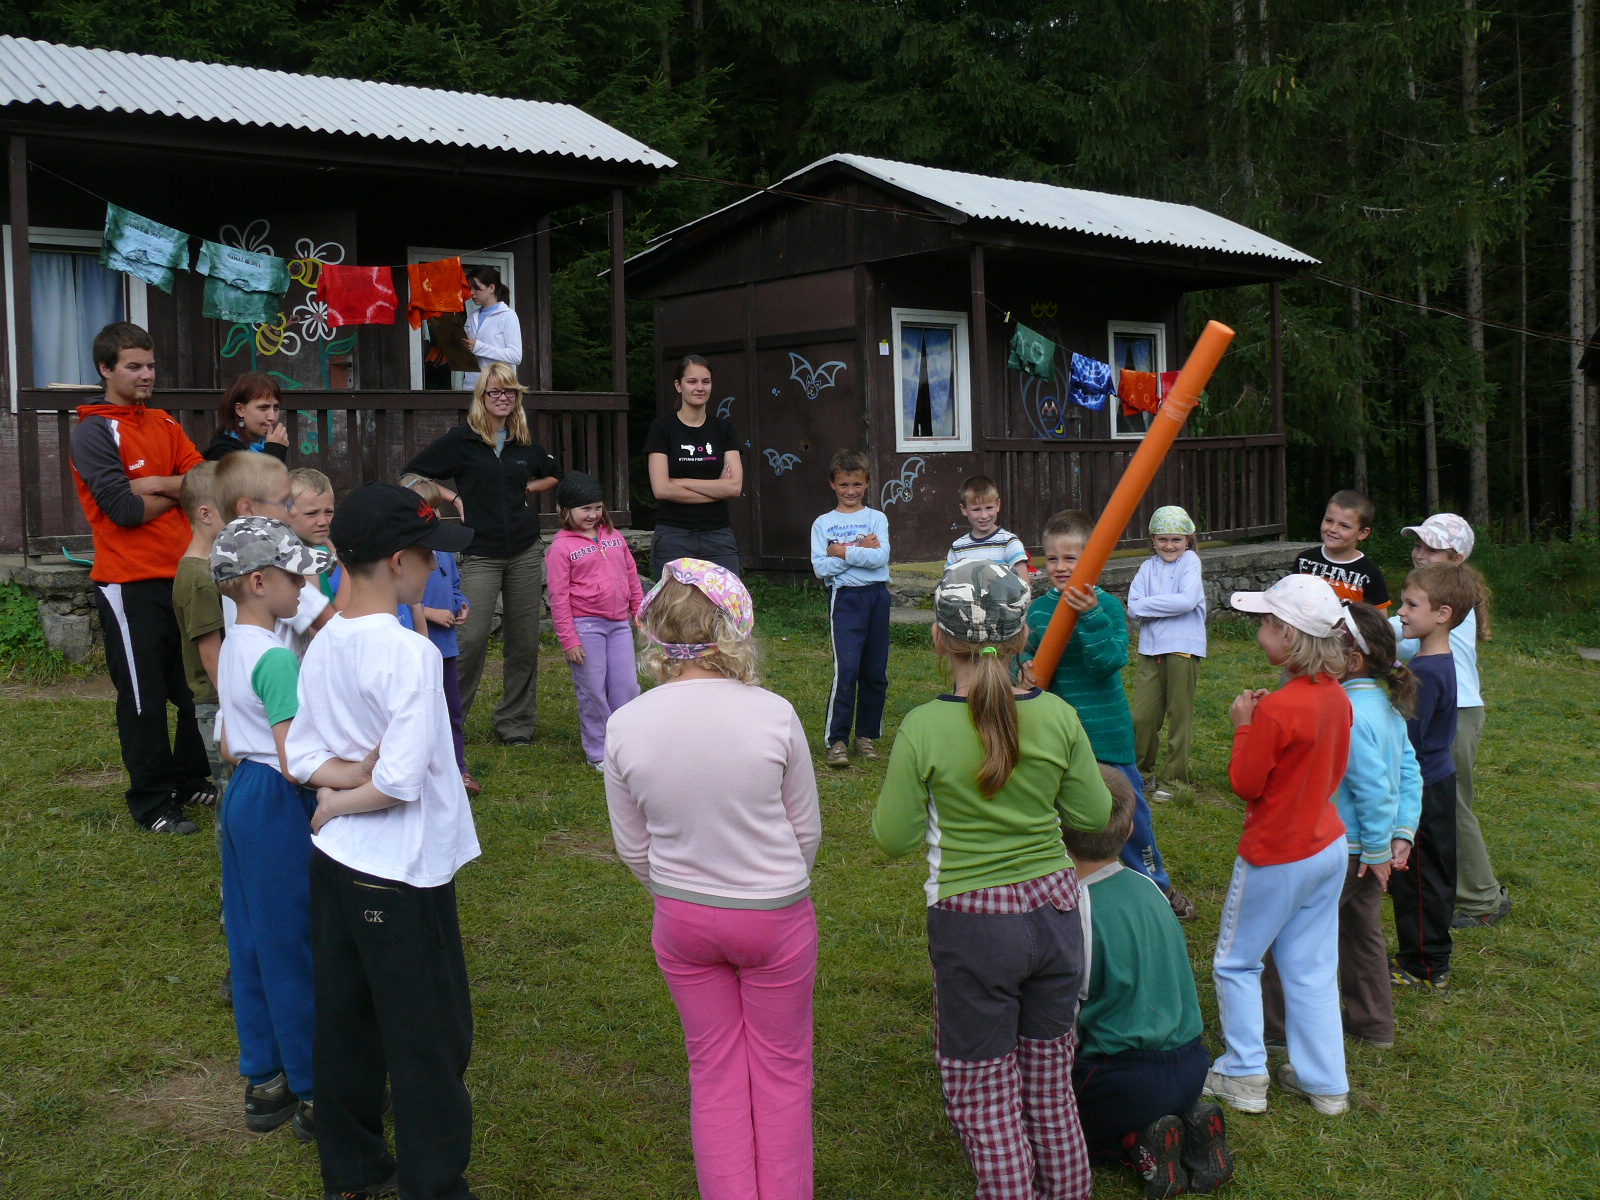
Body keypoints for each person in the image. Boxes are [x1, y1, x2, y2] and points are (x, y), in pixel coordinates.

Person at [873, 560, 1113, 1200]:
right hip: (1057, 914)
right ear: (1023, 637)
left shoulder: (923, 727)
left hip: (973, 925)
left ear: (938, 638)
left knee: (984, 1091)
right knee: (1049, 1082)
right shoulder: (1058, 715)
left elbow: (893, 838)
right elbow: (1093, 815)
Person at [285, 482, 479, 1199]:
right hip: (403, 872)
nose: (435, 567)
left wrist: (334, 791)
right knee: (430, 1037)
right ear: (400, 561)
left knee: (345, 1023)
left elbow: (302, 754)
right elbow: (399, 781)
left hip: (337, 867)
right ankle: (434, 1185)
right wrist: (343, 800)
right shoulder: (410, 653)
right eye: (430, 555)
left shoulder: (324, 641)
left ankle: (352, 1170)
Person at [605, 559, 820, 1200]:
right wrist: (771, 886)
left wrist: (677, 891)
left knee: (714, 1070)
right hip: (775, 914)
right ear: (734, 629)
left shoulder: (625, 724)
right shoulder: (775, 714)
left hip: (682, 918)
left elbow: (632, 846)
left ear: (655, 632)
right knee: (782, 1070)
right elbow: (805, 829)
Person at [1206, 575, 1354, 1117]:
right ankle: (1326, 1083)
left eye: (1266, 624)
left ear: (1289, 636)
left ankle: (1244, 1074)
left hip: (1277, 854)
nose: (1259, 633)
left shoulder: (1275, 710)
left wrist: (1245, 726)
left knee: (1236, 962)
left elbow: (1246, 783)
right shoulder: (1337, 697)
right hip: (1328, 845)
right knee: (1311, 965)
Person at [210, 517, 330, 1139]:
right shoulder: (279, 659)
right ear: (259, 582)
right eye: (295, 578)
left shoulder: (235, 645)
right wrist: (364, 769)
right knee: (293, 944)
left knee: (252, 939)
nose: (303, 589)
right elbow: (295, 760)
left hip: (241, 797)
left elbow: (229, 745)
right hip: (278, 800)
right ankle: (314, 1090)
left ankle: (266, 1079)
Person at [69, 321, 210, 834]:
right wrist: (177, 490)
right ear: (106, 369)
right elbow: (124, 511)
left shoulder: (165, 422)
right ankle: (152, 802)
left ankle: (191, 779)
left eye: (150, 365)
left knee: (198, 688)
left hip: (184, 575)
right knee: (143, 696)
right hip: (129, 584)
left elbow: (205, 482)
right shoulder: (92, 432)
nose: (146, 374)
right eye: (134, 366)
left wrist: (153, 482)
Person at [1020, 511, 1196, 922]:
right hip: (1059, 735)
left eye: (1071, 559)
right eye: (1052, 559)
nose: (1060, 567)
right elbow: (1024, 656)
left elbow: (1108, 662)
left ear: (1092, 561)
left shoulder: (1109, 608)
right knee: (1057, 816)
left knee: (1129, 817)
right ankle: (1062, 889)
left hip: (1107, 735)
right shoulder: (1039, 611)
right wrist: (1022, 669)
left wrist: (1090, 616)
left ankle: (1155, 883)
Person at [1262, 603, 1421, 1054]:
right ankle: (1373, 1023)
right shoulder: (1386, 706)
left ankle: (1275, 1028)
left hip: (1348, 850)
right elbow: (1409, 774)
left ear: (1350, 660)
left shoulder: (1346, 710)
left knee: (1287, 932)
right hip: (1372, 849)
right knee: (1361, 933)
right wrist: (1402, 833)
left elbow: (1373, 787)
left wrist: (1377, 851)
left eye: (1327, 643)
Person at [1067, 767, 1231, 1199]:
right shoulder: (1150, 887)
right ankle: (1189, 1121)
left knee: (1052, 1120)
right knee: (1148, 1093)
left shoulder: (1075, 906)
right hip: (1191, 1063)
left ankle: (1136, 1143)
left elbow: (1069, 1012)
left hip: (1124, 1077)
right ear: (1127, 833)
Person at [404, 363, 562, 745]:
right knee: (470, 639)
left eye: (510, 391)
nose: (503, 397)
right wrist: (453, 497)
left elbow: (554, 473)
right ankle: (446, 723)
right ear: (482, 397)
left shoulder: (524, 442)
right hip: (481, 553)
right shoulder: (462, 440)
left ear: (517, 397)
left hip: (525, 550)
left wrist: (527, 489)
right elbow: (412, 475)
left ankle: (515, 724)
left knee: (523, 642)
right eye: (495, 391)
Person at [1393, 515, 1510, 929]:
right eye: (1418, 545)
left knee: (1452, 805)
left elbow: (1393, 636)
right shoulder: (1435, 602)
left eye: (1433, 548)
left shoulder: (1446, 608)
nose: (1420, 554)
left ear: (1457, 559)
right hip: (1451, 708)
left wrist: (1351, 627)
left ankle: (1483, 898)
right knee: (1439, 802)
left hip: (1457, 712)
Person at [1389, 562, 1478, 996]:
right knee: (1426, 875)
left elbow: (1409, 740)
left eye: (1411, 605)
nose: (1401, 612)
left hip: (1423, 788)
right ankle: (1423, 956)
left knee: (1420, 879)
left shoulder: (1427, 673)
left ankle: (1425, 966)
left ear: (1442, 614)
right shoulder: (1432, 661)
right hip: (1435, 781)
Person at [545, 471, 642, 770]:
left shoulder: (614, 537)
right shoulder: (560, 547)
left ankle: (626, 746)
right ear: (565, 510)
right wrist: (569, 639)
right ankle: (598, 753)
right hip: (586, 627)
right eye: (584, 508)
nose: (592, 514)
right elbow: (558, 596)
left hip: (619, 625)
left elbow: (631, 575)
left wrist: (639, 611)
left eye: (597, 507)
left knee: (627, 687)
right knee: (593, 691)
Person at [809, 449, 891, 769]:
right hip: (845, 599)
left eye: (857, 484)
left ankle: (865, 736)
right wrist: (859, 549)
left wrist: (841, 551)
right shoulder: (823, 523)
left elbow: (879, 559)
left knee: (875, 671)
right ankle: (837, 741)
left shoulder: (876, 518)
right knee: (847, 670)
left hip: (877, 597)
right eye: (844, 484)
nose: (850, 491)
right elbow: (821, 568)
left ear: (867, 482)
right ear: (832, 484)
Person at [215, 452, 333, 655]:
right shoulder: (275, 568)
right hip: (280, 670)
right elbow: (331, 626)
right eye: (285, 502)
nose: (293, 511)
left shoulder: (232, 559)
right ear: (247, 509)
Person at [1129, 506, 1208, 802]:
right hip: (1150, 649)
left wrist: (1150, 605)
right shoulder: (1146, 568)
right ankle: (1141, 773)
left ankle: (1174, 780)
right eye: (1162, 539)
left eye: (1176, 539)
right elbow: (1133, 608)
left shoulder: (1190, 562)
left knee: (1178, 716)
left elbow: (1187, 601)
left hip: (1183, 647)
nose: (1169, 546)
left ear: (1188, 540)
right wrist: (1168, 604)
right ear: (1152, 539)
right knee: (1142, 717)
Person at [403, 476, 476, 795]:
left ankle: (458, 769)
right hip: (417, 644)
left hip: (445, 646)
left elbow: (454, 585)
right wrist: (429, 613)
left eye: (436, 508)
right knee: (421, 711)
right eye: (425, 508)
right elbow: (397, 598)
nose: (433, 514)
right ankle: (423, 772)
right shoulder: (402, 553)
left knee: (451, 710)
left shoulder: (443, 548)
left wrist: (461, 603)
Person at [643, 355, 744, 577]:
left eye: (705, 381)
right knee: (674, 601)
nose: (700, 387)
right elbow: (661, 489)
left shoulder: (724, 429)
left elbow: (734, 487)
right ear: (678, 385)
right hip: (673, 535)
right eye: (692, 381)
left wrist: (681, 482)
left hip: (718, 535)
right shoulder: (662, 428)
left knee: (724, 599)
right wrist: (716, 489)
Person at [173, 462, 230, 797]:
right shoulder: (199, 577)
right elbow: (211, 656)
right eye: (232, 508)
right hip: (218, 702)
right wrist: (237, 704)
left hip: (224, 700)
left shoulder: (213, 566)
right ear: (205, 515)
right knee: (230, 788)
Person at [1292, 489, 1390, 610]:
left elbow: (1379, 618)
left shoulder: (1369, 573)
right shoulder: (1305, 560)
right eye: (1329, 521)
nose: (1333, 529)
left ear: (1362, 533)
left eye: (1344, 526)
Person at [946, 475, 1030, 578]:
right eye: (976, 509)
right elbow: (948, 582)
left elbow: (1023, 585)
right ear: (964, 509)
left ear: (998, 505)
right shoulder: (957, 548)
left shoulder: (1009, 543)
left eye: (989, 508)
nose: (984, 516)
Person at [462, 264, 522, 391]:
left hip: (497, 389)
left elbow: (515, 356)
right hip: (470, 387)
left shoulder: (507, 316)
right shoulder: (472, 317)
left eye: (477, 288)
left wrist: (479, 347)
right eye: (470, 288)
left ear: (491, 288)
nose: (472, 293)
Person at [204, 372, 290, 462]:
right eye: (263, 408)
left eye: (276, 408)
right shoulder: (222, 453)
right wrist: (275, 452)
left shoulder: (270, 443)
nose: (272, 417)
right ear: (240, 410)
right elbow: (263, 472)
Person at [287, 468, 339, 606]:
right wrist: (344, 568)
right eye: (311, 513)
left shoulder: (318, 555)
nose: (323, 521)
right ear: (286, 513)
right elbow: (330, 618)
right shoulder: (295, 564)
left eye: (328, 512)